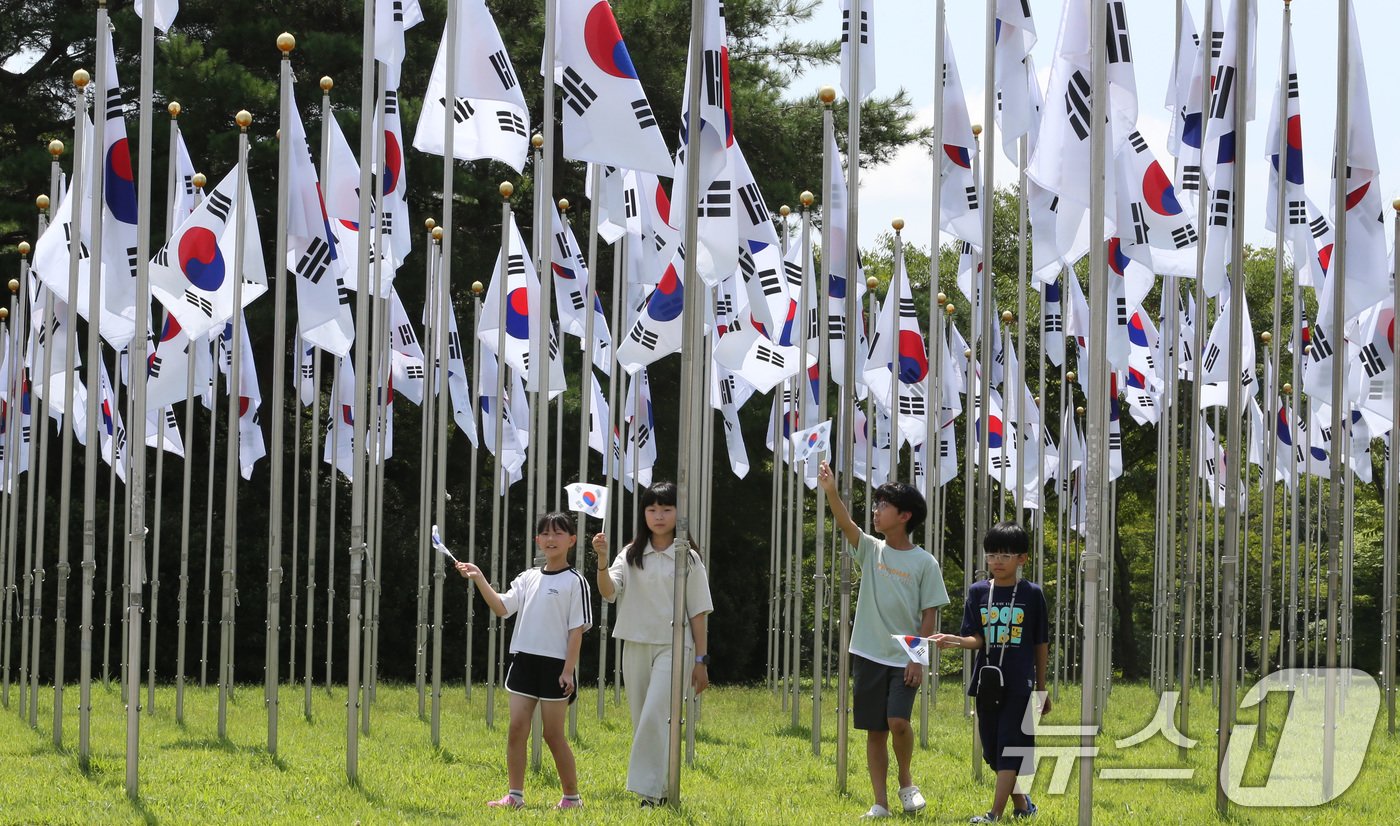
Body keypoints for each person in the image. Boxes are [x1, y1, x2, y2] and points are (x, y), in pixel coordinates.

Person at [816, 460, 950, 819]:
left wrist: (917, 659)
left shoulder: (926, 563)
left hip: (903, 658)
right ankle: (881, 803)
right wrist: (831, 491)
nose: (876, 511)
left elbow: (929, 615)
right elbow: (846, 523)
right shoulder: (871, 549)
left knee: (897, 723)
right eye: (875, 505)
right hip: (868, 654)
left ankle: (906, 779)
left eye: (883, 505)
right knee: (875, 730)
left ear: (905, 515)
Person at [456, 511, 592, 811]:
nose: (550, 539)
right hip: (523, 663)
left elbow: (576, 631)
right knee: (517, 728)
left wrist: (568, 672)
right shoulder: (528, 577)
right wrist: (479, 578)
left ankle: (572, 798)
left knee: (553, 734)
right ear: (537, 540)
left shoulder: (576, 581)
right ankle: (514, 796)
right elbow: (502, 607)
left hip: (557, 667)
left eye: (558, 533)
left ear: (571, 540)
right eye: (545, 533)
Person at [591, 481, 713, 807]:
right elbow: (608, 592)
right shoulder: (630, 554)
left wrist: (702, 659)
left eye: (666, 509)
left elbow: (699, 611)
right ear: (644, 513)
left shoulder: (688, 557)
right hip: (634, 644)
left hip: (675, 646)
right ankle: (658, 791)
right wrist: (602, 561)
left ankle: (648, 794)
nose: (658, 516)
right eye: (652, 509)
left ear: (677, 514)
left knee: (656, 717)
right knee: (641, 718)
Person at [934, 521, 1050, 823]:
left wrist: (1042, 687)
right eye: (992, 555)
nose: (997, 561)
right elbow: (976, 638)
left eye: (1005, 555)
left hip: (1020, 684)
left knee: (1010, 748)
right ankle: (1023, 804)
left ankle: (994, 814)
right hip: (987, 683)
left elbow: (1040, 643)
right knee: (993, 751)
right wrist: (955, 641)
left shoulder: (1032, 594)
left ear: (1022, 559)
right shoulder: (978, 593)